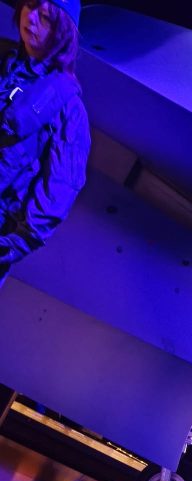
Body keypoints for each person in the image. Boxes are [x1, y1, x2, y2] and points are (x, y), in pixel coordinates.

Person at [0, 0, 89, 287]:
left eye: (47, 18)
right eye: (30, 5)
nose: (32, 18)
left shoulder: (69, 110)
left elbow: (60, 189)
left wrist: (11, 245)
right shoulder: (3, 59)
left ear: (62, 32)